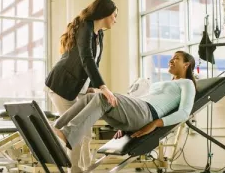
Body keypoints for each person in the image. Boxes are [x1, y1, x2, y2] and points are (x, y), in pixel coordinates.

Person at [53, 51, 196, 151]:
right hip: (137, 113)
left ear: (186, 65)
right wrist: (124, 117)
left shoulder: (187, 83)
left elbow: (184, 112)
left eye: (176, 58)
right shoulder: (164, 83)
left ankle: (67, 135)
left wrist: (155, 124)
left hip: (147, 114)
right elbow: (139, 102)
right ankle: (55, 128)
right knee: (91, 97)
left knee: (104, 97)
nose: (171, 60)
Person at [44, 0, 118, 173]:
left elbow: (96, 63)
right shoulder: (85, 26)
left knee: (85, 134)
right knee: (76, 132)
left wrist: (93, 88)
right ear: (105, 14)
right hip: (62, 85)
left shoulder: (99, 33)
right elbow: (87, 59)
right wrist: (104, 88)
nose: (115, 20)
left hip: (80, 88)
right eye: (114, 16)